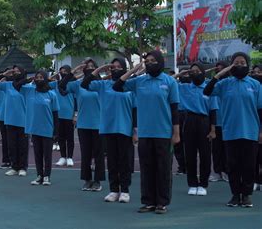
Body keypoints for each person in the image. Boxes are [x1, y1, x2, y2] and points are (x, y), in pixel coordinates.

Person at [113, 50, 180, 214]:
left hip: (163, 133)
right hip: (145, 133)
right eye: (147, 61)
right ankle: (148, 202)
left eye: (152, 60)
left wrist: (176, 133)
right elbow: (117, 86)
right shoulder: (139, 81)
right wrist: (134, 70)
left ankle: (162, 202)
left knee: (163, 169)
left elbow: (175, 109)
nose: (149, 63)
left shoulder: (169, 82)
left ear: (160, 62)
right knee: (147, 168)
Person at [204, 52, 262, 207]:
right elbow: (207, 91)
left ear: (247, 65)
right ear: (231, 65)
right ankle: (235, 195)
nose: (240, 65)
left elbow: (261, 110)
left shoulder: (255, 85)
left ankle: (247, 195)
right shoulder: (225, 84)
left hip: (250, 132)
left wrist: (261, 131)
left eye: (243, 62)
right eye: (236, 62)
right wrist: (219, 74)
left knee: (249, 165)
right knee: (233, 165)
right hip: (230, 132)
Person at [82, 58, 135, 202]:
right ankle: (113, 190)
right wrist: (100, 69)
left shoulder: (129, 86)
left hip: (125, 128)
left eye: (119, 67)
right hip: (107, 128)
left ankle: (124, 190)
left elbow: (135, 109)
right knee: (112, 161)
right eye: (113, 67)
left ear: (124, 68)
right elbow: (84, 83)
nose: (115, 69)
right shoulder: (103, 85)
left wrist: (135, 130)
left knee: (124, 161)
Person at [174, 63, 218, 196]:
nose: (194, 73)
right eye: (192, 71)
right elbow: (169, 81)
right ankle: (192, 183)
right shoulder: (185, 87)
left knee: (205, 155)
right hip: (189, 120)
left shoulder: (209, 88)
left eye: (197, 71)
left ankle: (203, 184)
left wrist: (213, 130)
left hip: (204, 121)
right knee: (190, 154)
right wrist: (181, 74)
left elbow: (213, 111)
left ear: (203, 72)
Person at [64, 59, 105, 192]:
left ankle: (98, 181)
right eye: (87, 67)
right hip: (83, 124)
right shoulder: (78, 84)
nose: (90, 68)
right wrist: (75, 70)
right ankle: (87, 180)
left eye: (93, 66)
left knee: (98, 154)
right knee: (85, 154)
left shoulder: (101, 84)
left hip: (99, 124)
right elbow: (63, 86)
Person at [0, 65, 29, 176]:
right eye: (14, 71)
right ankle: (14, 166)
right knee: (12, 145)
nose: (15, 73)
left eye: (18, 71)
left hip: (23, 120)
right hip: (9, 120)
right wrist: (3, 74)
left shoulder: (26, 86)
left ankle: (23, 167)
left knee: (22, 145)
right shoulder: (7, 85)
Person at [23, 70, 59, 185]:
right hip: (35, 128)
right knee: (37, 154)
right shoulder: (30, 91)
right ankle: (39, 176)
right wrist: (29, 79)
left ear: (45, 78)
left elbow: (55, 114)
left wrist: (55, 131)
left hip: (47, 128)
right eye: (36, 77)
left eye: (41, 77)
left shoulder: (51, 94)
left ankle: (47, 176)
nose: (38, 79)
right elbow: (16, 85)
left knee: (47, 155)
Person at [209, 61, 230, 182]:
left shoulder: (229, 83)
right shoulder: (212, 85)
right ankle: (217, 172)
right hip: (215, 122)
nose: (219, 70)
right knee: (216, 149)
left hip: (228, 122)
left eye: (222, 68)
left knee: (227, 149)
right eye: (217, 68)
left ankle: (227, 171)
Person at [52, 65, 76, 167]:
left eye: (66, 71)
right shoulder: (56, 84)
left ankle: (70, 157)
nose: (63, 73)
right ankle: (62, 157)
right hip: (59, 115)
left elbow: (76, 100)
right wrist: (55, 75)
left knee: (70, 138)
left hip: (69, 115)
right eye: (61, 71)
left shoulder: (73, 84)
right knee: (60, 137)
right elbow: (47, 80)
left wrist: (75, 114)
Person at [250, 65, 262, 191]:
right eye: (254, 72)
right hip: (253, 126)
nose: (256, 74)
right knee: (254, 156)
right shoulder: (251, 86)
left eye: (259, 72)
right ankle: (254, 180)